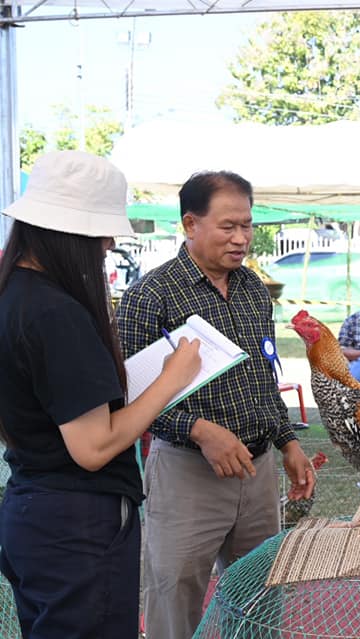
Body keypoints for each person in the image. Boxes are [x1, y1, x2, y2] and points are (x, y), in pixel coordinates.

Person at [0, 150, 202, 638]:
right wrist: (171, 378)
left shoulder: (13, 296)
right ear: (70, 233)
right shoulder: (56, 312)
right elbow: (93, 447)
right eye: (101, 232)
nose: (110, 243)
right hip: (77, 525)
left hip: (32, 507)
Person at [115, 170, 316, 639]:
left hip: (257, 468)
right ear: (190, 223)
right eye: (228, 226)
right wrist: (198, 430)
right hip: (187, 475)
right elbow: (130, 397)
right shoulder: (151, 295)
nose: (241, 238)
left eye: (247, 226)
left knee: (260, 595)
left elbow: (264, 376)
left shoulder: (252, 291)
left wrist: (287, 442)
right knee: (176, 594)